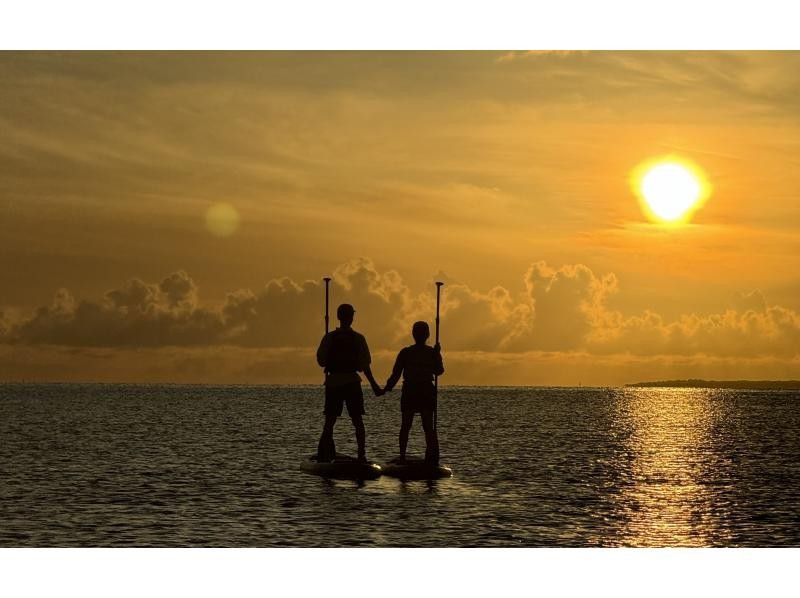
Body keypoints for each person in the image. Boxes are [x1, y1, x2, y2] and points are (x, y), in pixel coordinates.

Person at [316, 303, 383, 463]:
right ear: (352, 317)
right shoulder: (358, 338)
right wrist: (374, 385)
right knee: (357, 420)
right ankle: (361, 455)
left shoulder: (329, 337)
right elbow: (365, 365)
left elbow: (321, 361)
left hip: (333, 382)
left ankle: (325, 453)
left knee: (330, 421)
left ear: (339, 317)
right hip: (352, 382)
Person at [383, 321, 444, 465]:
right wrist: (437, 355)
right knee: (426, 425)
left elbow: (395, 374)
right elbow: (439, 370)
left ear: (413, 334)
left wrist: (386, 388)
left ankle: (404, 456)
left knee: (407, 425)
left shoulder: (407, 352)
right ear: (427, 335)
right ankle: (420, 456)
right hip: (422, 391)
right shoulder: (427, 353)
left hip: (413, 391)